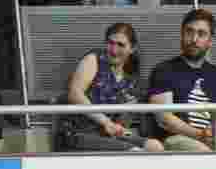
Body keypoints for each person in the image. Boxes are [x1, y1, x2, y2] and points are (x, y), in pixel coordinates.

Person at [147, 8, 216, 152]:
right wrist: (199, 134)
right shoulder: (164, 70)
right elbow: (164, 119)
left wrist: (212, 134)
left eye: (201, 34)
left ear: (210, 41)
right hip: (176, 138)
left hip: (211, 138)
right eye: (189, 32)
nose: (194, 39)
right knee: (201, 151)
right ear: (182, 34)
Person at [57, 23, 163, 153]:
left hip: (109, 135)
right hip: (77, 133)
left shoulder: (131, 80)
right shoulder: (94, 59)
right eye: (110, 43)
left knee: (154, 146)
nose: (113, 49)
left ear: (132, 48)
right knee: (134, 152)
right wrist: (106, 122)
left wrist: (126, 121)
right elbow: (74, 94)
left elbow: (119, 125)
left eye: (120, 45)